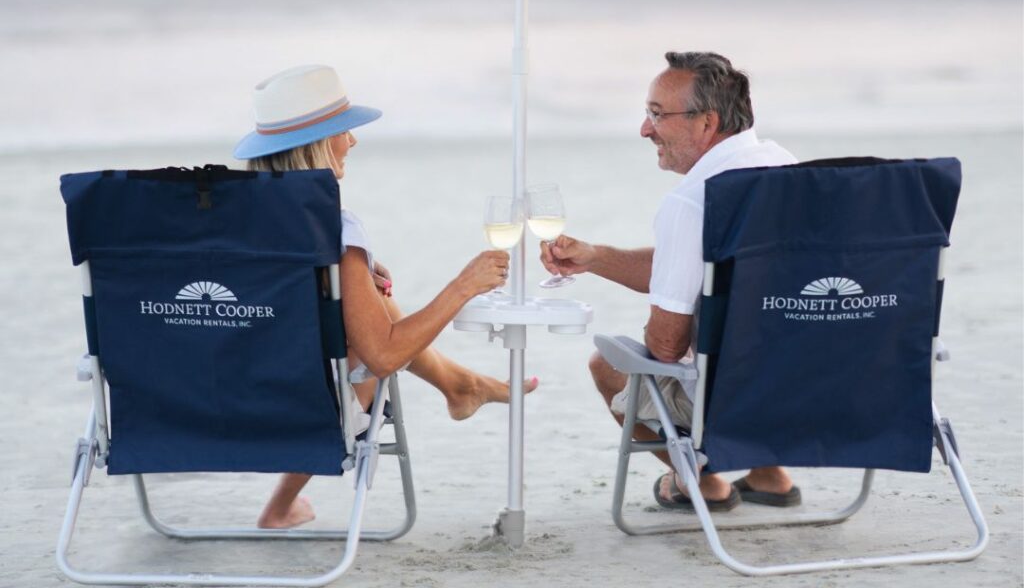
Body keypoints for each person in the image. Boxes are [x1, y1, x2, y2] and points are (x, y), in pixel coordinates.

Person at [233, 63, 538, 529]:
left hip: (206, 407)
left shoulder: (217, 227)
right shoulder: (330, 231)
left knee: (358, 309)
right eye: (343, 131)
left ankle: (459, 385)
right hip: (304, 412)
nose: (352, 141)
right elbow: (385, 355)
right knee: (364, 345)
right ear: (315, 144)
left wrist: (344, 285)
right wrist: (464, 286)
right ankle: (460, 385)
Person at [540, 51, 801, 512]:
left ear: (706, 123)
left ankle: (702, 482)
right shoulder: (789, 171)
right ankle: (768, 475)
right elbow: (708, 266)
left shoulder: (695, 201)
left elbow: (663, 348)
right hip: (816, 387)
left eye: (657, 115)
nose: (645, 130)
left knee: (610, 365)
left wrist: (675, 341)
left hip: (736, 399)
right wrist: (596, 257)